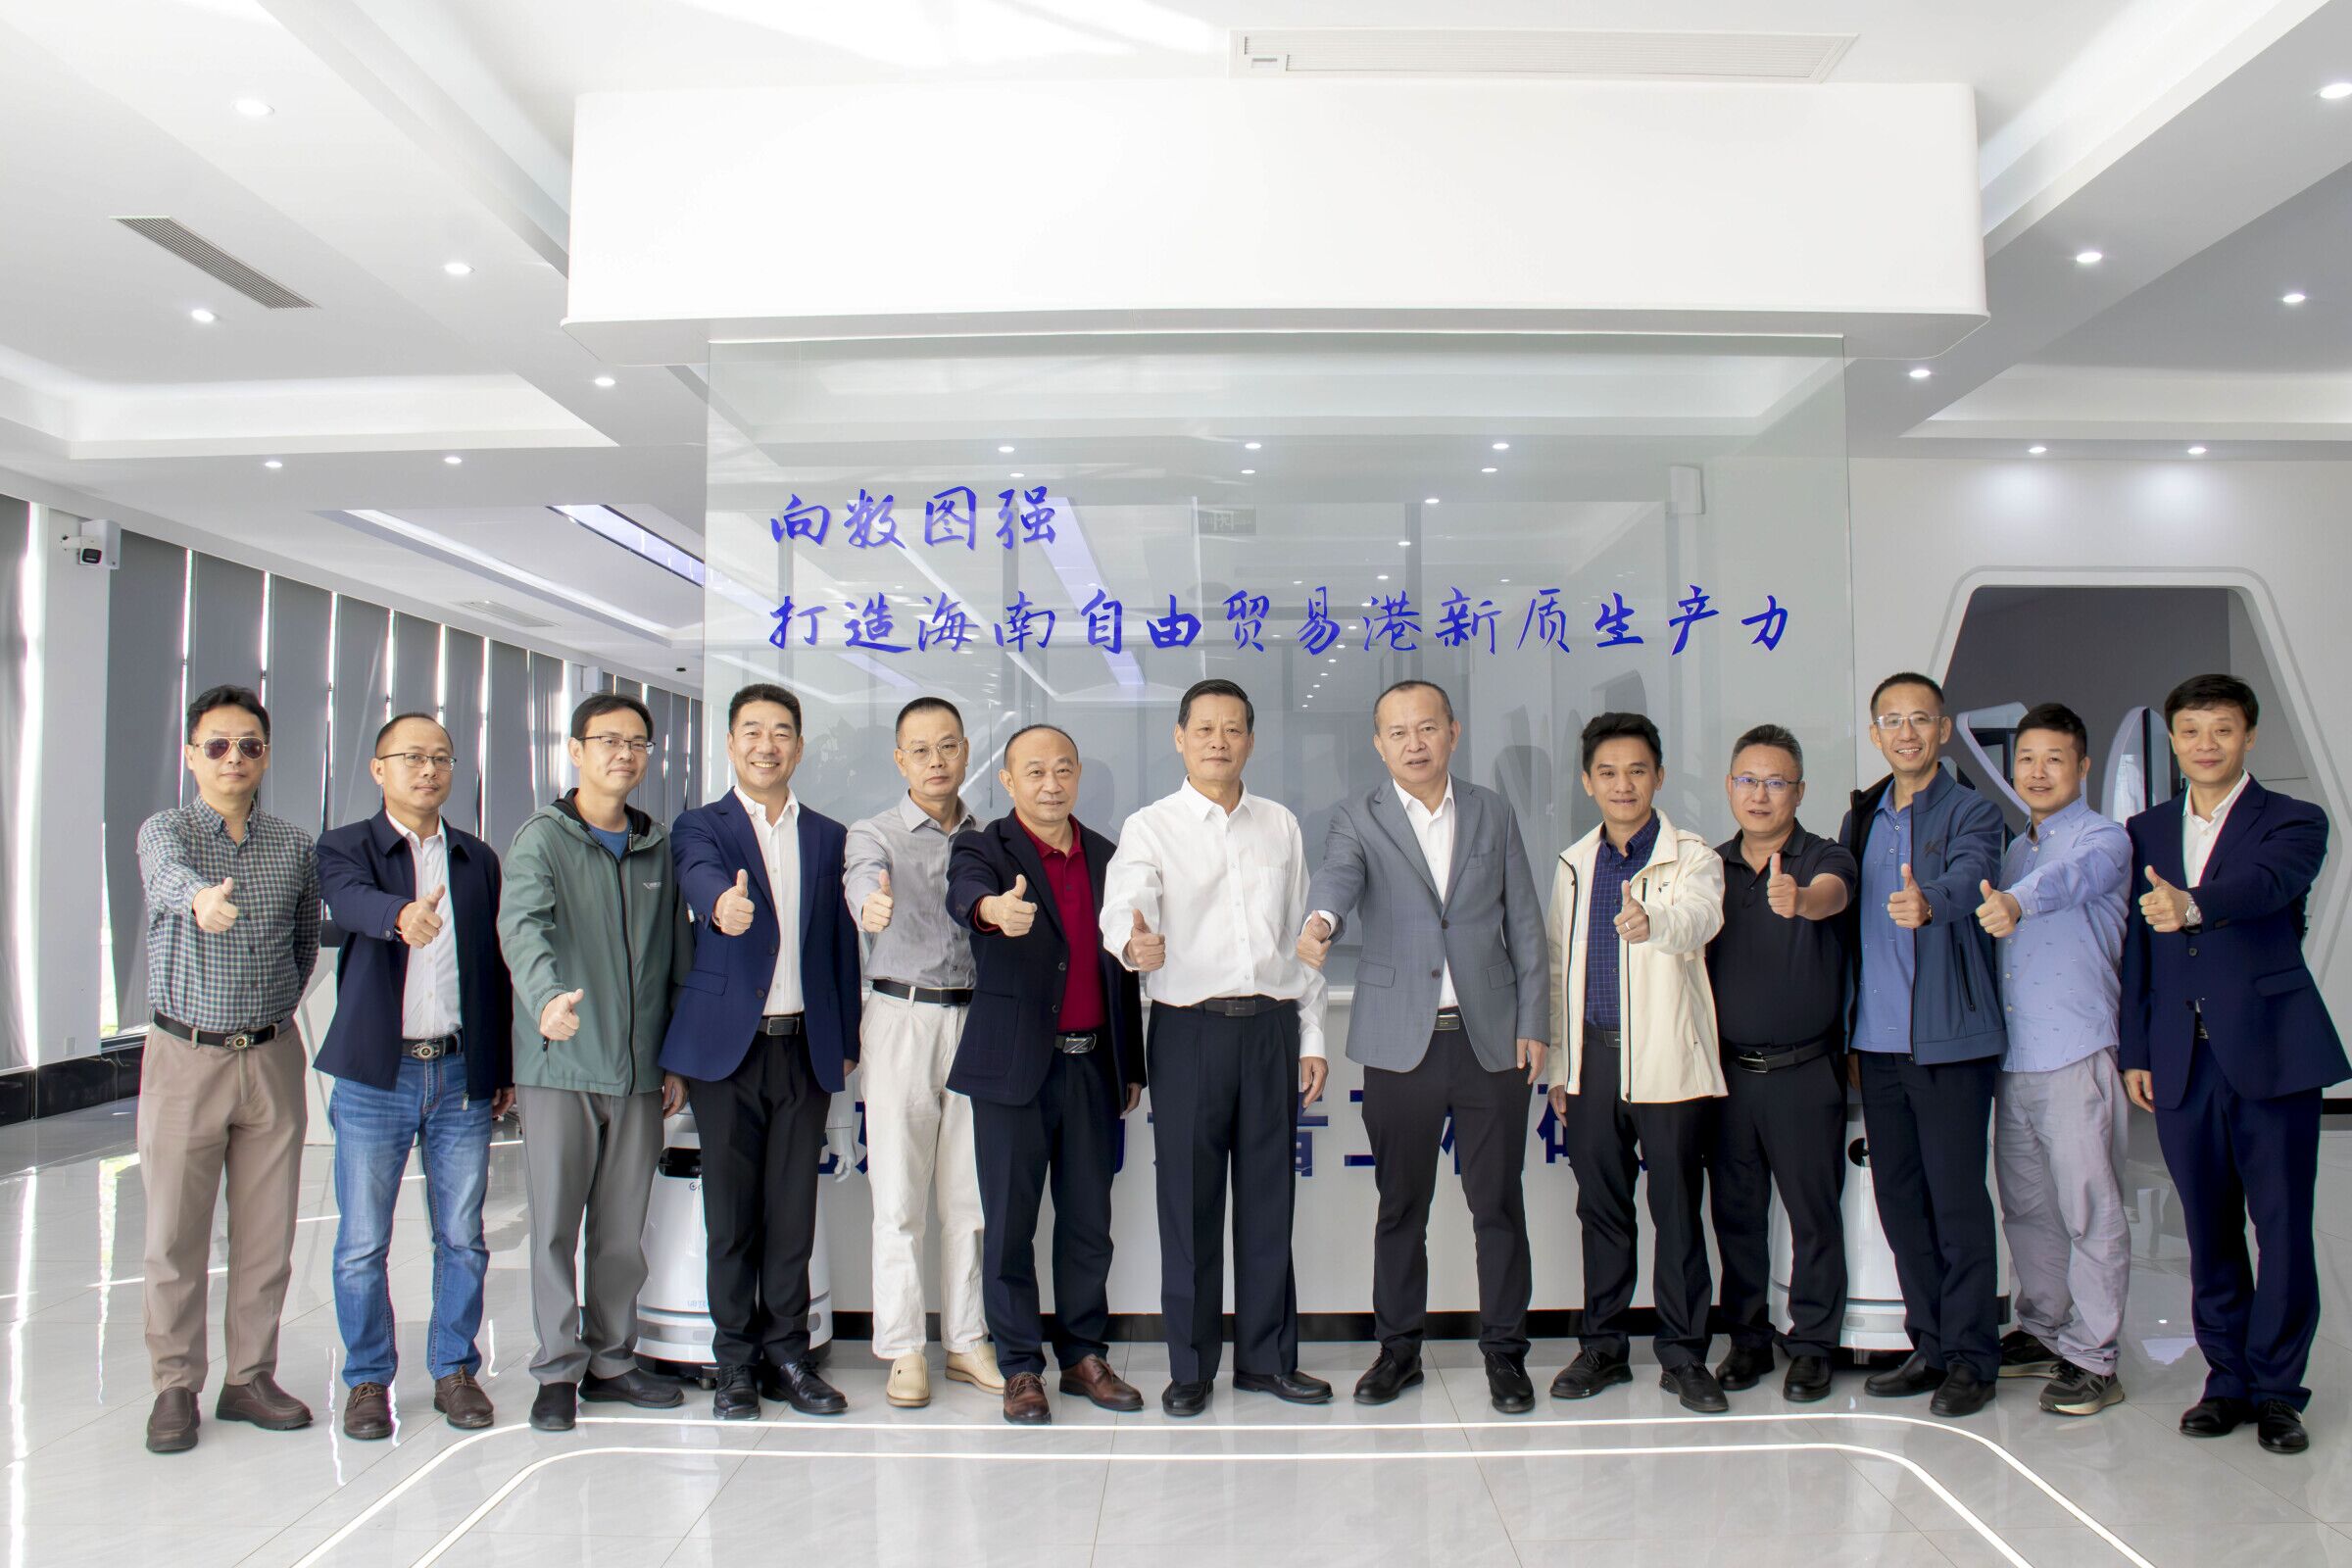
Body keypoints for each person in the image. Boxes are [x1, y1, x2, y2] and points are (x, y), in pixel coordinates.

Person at [1298, 679, 1548, 1414]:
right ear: (1379, 744)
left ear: (1453, 732)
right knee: (1401, 1206)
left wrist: (1535, 1020)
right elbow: (1339, 878)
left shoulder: (1493, 811)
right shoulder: (1358, 816)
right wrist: (1320, 921)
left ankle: (1505, 1354)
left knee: (1498, 1204)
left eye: (1427, 728)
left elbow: (1525, 922)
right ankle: (1398, 1350)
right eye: (1398, 732)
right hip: (1398, 1043)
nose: (1415, 743)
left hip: (1488, 1039)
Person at [2122, 673, 2347, 1454]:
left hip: (2273, 1050)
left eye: (2222, 729)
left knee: (2280, 1227)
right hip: (2181, 1057)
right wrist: (2137, 1049)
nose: (2206, 744)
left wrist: (2192, 904)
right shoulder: (2146, 829)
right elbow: (2136, 948)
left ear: (2249, 736)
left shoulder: (2296, 820)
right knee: (2206, 1227)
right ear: (2174, 740)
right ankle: (2226, 1380)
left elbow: (2266, 886)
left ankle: (2279, 1390)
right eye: (2191, 730)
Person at [1101, 678, 1331, 1418]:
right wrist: (1132, 943)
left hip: (1270, 1027)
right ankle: (1192, 1368)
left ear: (1251, 741)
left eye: (1233, 729)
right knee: (1189, 1205)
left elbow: (1302, 939)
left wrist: (1312, 1034)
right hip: (1188, 1031)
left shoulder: (1281, 825)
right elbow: (1125, 905)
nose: (1218, 742)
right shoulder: (1151, 826)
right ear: (1180, 738)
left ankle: (1267, 1361)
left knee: (1269, 1202)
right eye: (1204, 729)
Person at [662, 683, 862, 1419]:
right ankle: (734, 1365)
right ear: (730, 743)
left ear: (798, 748)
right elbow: (698, 877)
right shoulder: (700, 826)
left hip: (804, 1047)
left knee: (792, 1213)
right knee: (731, 1218)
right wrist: (723, 904)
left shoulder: (829, 836)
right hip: (728, 1053)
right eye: (752, 731)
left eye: (781, 732)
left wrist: (846, 1039)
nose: (766, 745)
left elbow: (839, 944)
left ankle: (788, 1356)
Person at [498, 691, 693, 1434]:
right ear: (576, 750)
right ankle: (556, 1370)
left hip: (639, 1073)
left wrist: (674, 1058)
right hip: (562, 1067)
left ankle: (612, 1360)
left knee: (620, 1231)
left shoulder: (657, 846)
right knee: (554, 1225)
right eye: (609, 740)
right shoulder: (542, 839)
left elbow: (677, 958)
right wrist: (546, 998)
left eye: (637, 743)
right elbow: (523, 928)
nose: (624, 754)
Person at [315, 712, 514, 1440]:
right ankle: (368, 1380)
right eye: (411, 757)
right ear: (379, 769)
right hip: (377, 1075)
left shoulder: (476, 857)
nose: (428, 770)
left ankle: (454, 1369)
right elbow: (348, 901)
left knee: (462, 1236)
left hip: (459, 1071)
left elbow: (492, 967)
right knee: (362, 1243)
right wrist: (401, 915)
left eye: (441, 758)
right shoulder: (345, 847)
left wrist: (500, 1066)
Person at [133, 685, 321, 1453]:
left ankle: (249, 1377)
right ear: (191, 755)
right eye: (217, 745)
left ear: (266, 756)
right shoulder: (167, 831)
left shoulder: (293, 844)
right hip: (186, 1057)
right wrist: (201, 901)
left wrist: (270, 1017)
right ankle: (175, 1385)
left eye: (248, 745)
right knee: (174, 1233)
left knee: (267, 1233)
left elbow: (304, 946)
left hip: (271, 1056)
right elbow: (166, 880)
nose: (233, 758)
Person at [947, 724, 1147, 1424]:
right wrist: (992, 911)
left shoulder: (1109, 855)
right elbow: (965, 894)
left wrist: (1130, 1064)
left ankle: (1084, 1355)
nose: (1050, 783)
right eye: (1034, 771)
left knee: (1089, 1220)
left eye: (1063, 769)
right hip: (1012, 1068)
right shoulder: (983, 847)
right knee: (1009, 1224)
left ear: (1079, 775)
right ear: (1008, 781)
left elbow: (1121, 966)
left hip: (1093, 1065)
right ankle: (1020, 1367)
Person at [1544, 711, 1728, 1413]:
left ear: (1659, 776)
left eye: (1637, 771)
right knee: (1601, 1209)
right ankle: (1603, 1347)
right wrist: (1560, 1067)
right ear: (1587, 782)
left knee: (1676, 1209)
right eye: (1608, 773)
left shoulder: (1692, 857)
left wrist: (1657, 924)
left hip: (1666, 1059)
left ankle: (1684, 1356)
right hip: (1592, 1060)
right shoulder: (1573, 864)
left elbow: (1702, 919)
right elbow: (1558, 969)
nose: (1623, 785)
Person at [1838, 671, 2007, 1418]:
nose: (1905, 732)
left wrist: (1929, 901)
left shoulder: (1973, 810)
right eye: (1891, 720)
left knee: (1957, 1204)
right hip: (1876, 1047)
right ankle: (1931, 1344)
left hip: (1949, 1045)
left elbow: (1974, 876)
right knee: (1901, 1203)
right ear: (1875, 733)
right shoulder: (1863, 814)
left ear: (1941, 729)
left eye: (1920, 719)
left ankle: (1972, 1357)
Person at [1972, 703, 2133, 1418]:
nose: (2038, 772)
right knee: (2029, 1209)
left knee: (2089, 1210)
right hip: (2016, 1060)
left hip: (2076, 1055)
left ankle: (2096, 1356)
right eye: (2027, 759)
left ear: (2083, 766)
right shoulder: (2015, 848)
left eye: (2054, 759)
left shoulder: (2104, 840)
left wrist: (2015, 902)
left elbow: (2069, 882)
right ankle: (2042, 1328)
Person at [844, 696, 1001, 1408]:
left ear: (966, 752)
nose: (936, 762)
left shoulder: (991, 838)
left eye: (948, 747)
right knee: (899, 1197)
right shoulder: (873, 833)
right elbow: (861, 879)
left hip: (977, 1020)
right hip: (901, 1016)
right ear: (900, 759)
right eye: (920, 750)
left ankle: (966, 1340)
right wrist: (867, 906)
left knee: (969, 1196)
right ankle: (905, 1347)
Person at [1705, 723, 1855, 1404]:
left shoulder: (1825, 856)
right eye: (1748, 780)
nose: (1760, 795)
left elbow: (1833, 894)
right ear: (1729, 786)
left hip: (1804, 1073)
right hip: (1728, 1077)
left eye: (1775, 783)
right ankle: (1747, 1340)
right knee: (1737, 1215)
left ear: (1799, 791)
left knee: (1812, 1215)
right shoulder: (1708, 867)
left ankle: (1814, 1344)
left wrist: (1800, 899)